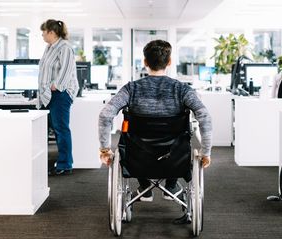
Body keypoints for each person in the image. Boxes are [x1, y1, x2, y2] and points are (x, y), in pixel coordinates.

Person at [98, 40, 212, 201]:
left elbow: (105, 115)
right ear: (170, 62)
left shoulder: (131, 89)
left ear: (145, 62)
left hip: (138, 159)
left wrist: (104, 149)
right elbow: (204, 116)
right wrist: (205, 152)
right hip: (175, 159)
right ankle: (171, 186)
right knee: (179, 139)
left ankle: (145, 186)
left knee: (134, 142)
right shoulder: (183, 90)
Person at [38, 19, 79, 176]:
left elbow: (66, 71)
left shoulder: (65, 47)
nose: (42, 34)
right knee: (51, 129)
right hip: (49, 93)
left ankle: (65, 164)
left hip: (60, 93)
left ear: (52, 32)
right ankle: (53, 162)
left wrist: (54, 85)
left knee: (61, 129)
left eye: (44, 31)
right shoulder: (49, 47)